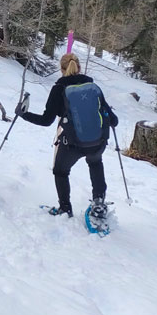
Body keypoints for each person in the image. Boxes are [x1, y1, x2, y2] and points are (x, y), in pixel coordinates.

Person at [17, 53, 118, 220]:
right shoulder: (92, 86)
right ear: (79, 67)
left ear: (61, 69)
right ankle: (99, 203)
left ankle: (65, 209)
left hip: (72, 143)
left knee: (60, 171)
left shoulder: (59, 89)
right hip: (97, 141)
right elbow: (113, 119)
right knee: (95, 163)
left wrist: (24, 114)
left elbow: (46, 120)